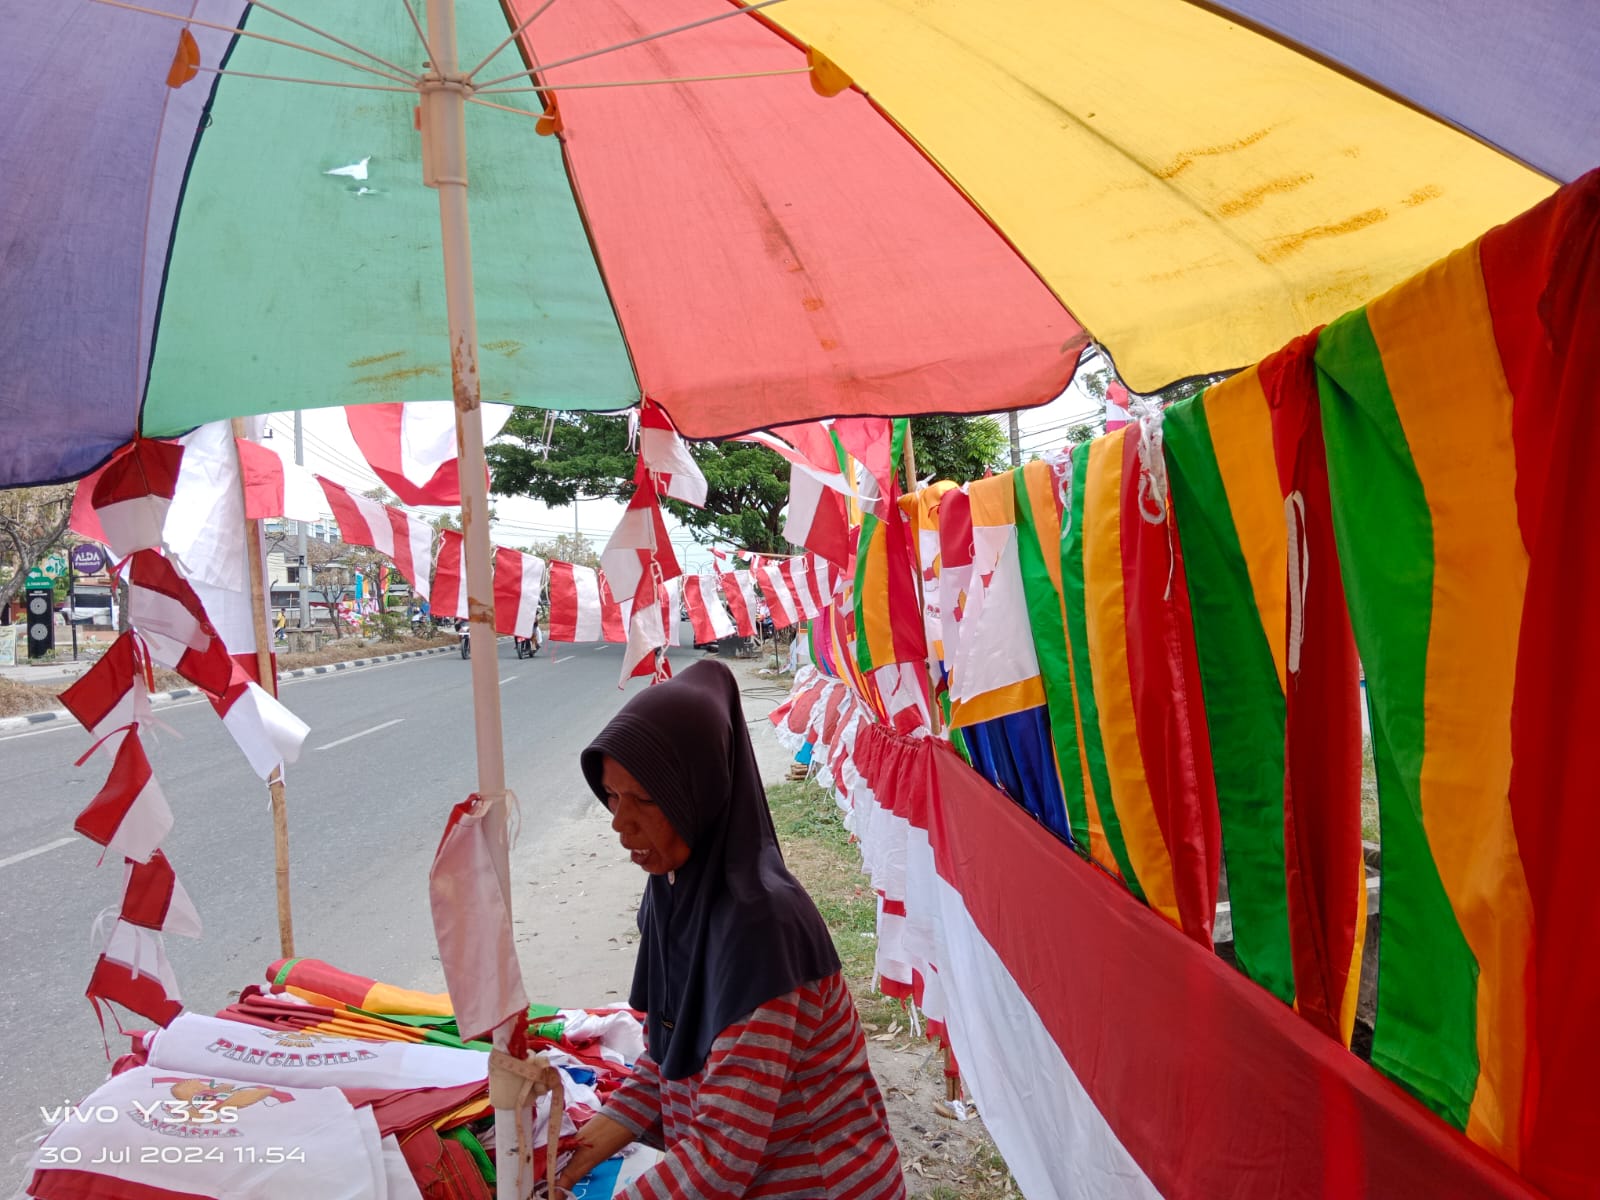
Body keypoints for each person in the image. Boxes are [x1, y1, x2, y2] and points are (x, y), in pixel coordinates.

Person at [559, 660, 906, 1199]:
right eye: (611, 795)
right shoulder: (674, 893)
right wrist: (565, 1159)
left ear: (703, 795)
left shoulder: (762, 931)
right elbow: (669, 1054)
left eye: (646, 800)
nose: (620, 823)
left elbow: (722, 1156)